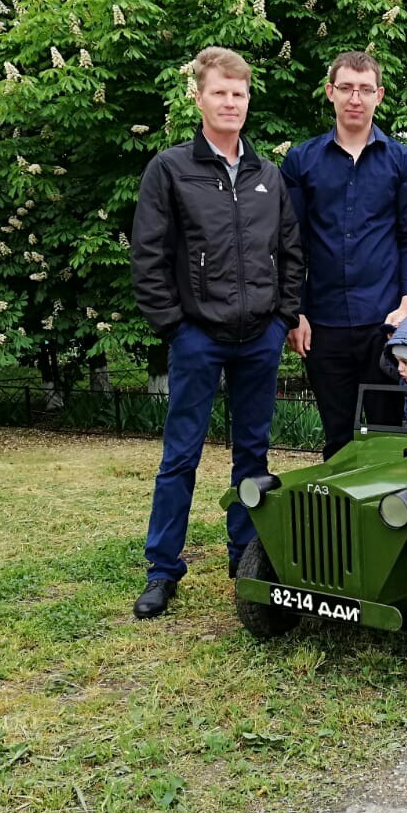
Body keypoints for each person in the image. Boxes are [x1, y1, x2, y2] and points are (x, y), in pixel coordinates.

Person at [128, 46, 303, 619]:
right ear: (198, 97)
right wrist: (175, 327)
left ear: (248, 101)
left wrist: (282, 319)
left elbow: (290, 253)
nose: (231, 102)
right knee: (181, 455)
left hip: (260, 337)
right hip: (197, 337)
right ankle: (162, 569)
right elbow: (148, 257)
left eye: (240, 93)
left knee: (253, 454)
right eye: (220, 92)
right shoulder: (171, 169)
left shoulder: (267, 176)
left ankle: (243, 552)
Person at [282, 51, 407, 459]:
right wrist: (296, 311)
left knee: (386, 438)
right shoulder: (301, 161)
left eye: (365, 89)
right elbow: (289, 243)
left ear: (378, 95)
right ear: (331, 92)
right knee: (338, 440)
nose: (355, 98)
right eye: (346, 88)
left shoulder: (403, 162)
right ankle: (340, 523)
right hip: (322, 323)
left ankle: (388, 521)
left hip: (384, 323)